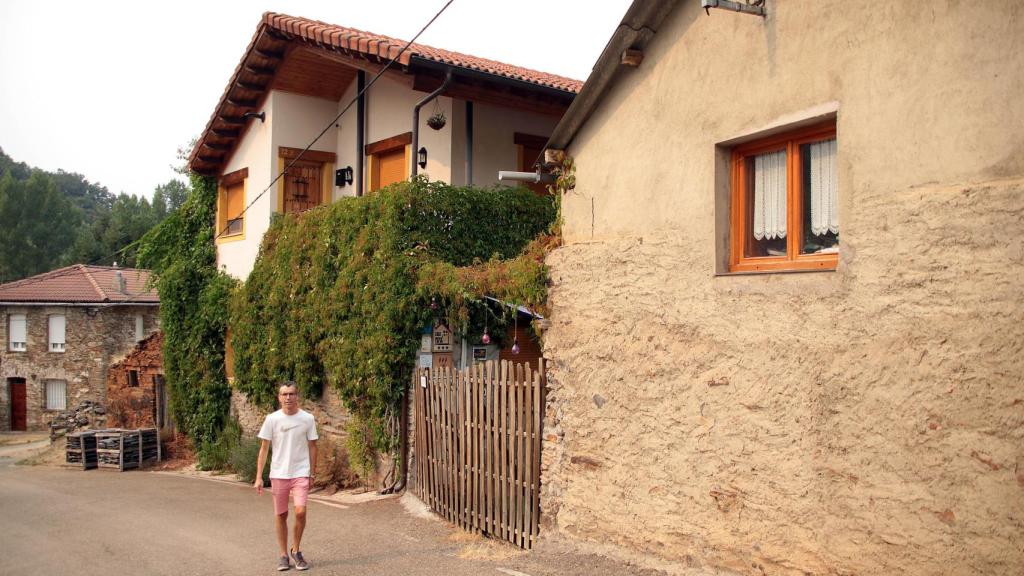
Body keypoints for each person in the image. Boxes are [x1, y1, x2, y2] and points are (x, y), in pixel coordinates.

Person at [254, 381, 319, 571]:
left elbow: (313, 446)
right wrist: (259, 476)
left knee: (300, 511)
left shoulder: (307, 419)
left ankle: (296, 550)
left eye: (291, 394)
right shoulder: (272, 419)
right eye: (284, 394)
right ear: (279, 397)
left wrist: (312, 473)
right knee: (281, 514)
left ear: (297, 396)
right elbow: (264, 449)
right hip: (279, 473)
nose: (288, 398)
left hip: (301, 472)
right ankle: (283, 555)